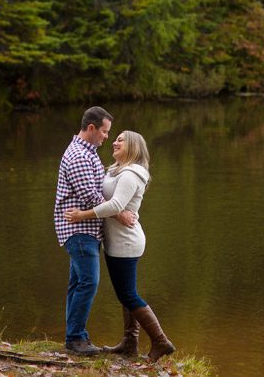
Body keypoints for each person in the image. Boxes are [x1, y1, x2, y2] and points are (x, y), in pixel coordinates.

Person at [65, 130, 176, 363]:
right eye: (113, 138)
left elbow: (115, 205)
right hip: (118, 241)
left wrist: (82, 215)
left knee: (127, 293)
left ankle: (160, 341)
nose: (114, 142)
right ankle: (129, 343)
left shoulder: (131, 174)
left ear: (133, 146)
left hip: (126, 242)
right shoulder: (116, 170)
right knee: (126, 293)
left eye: (120, 140)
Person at [54, 106, 136, 356]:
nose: (106, 137)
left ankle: (74, 336)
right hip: (79, 229)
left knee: (78, 282)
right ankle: (76, 339)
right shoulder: (79, 155)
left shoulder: (88, 153)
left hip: (85, 229)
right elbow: (89, 196)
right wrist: (119, 213)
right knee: (89, 281)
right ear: (91, 128)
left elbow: (98, 187)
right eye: (104, 131)